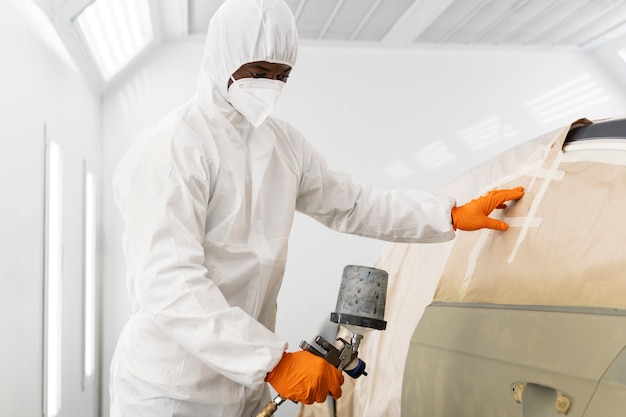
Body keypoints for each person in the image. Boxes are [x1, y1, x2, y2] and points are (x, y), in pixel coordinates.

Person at [108, 0, 524, 416]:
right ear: (222, 60)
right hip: (169, 391)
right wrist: (274, 362)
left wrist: (445, 215)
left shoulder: (282, 145)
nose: (268, 85)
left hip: (244, 387)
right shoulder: (173, 148)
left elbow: (354, 204)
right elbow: (168, 282)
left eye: (281, 75)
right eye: (257, 72)